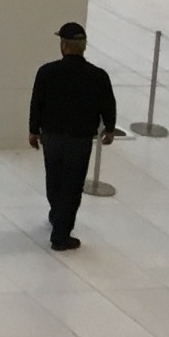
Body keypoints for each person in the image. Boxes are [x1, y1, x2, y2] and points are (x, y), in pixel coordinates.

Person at [26, 20, 116, 249]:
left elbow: (37, 102)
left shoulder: (47, 72)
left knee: (54, 177)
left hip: (53, 136)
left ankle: (57, 214)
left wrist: (34, 130)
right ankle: (61, 233)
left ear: (64, 46)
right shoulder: (98, 76)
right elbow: (108, 104)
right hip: (80, 138)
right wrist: (110, 128)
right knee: (72, 183)